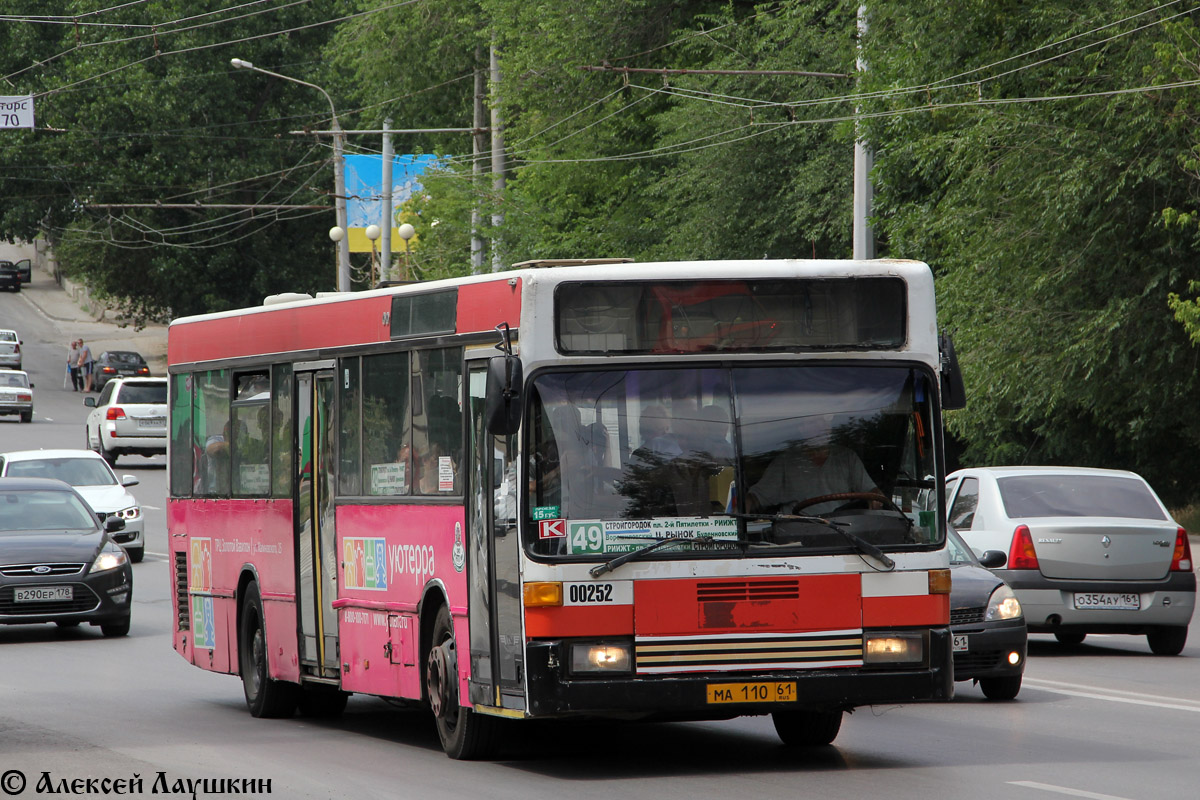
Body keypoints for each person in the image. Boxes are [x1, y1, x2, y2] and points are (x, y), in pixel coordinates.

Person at [747, 413, 879, 516]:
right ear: (801, 428)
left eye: (824, 421)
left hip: (841, 532)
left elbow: (871, 491)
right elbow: (757, 497)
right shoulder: (785, 462)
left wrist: (876, 498)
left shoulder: (847, 458)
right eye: (813, 422)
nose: (821, 427)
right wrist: (739, 507)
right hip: (796, 535)